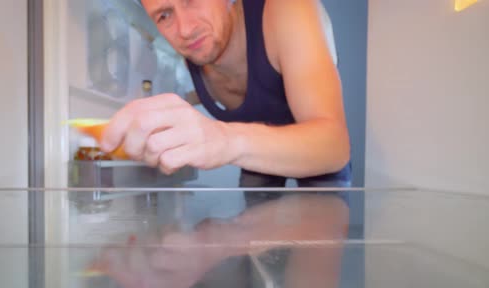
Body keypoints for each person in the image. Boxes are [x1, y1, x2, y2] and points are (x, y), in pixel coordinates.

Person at [98, 0, 351, 187]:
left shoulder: (286, 9)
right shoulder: (192, 53)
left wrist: (224, 139)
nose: (185, 29)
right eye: (164, 15)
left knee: (317, 244)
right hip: (256, 161)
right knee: (254, 245)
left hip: (320, 161)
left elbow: (333, 146)